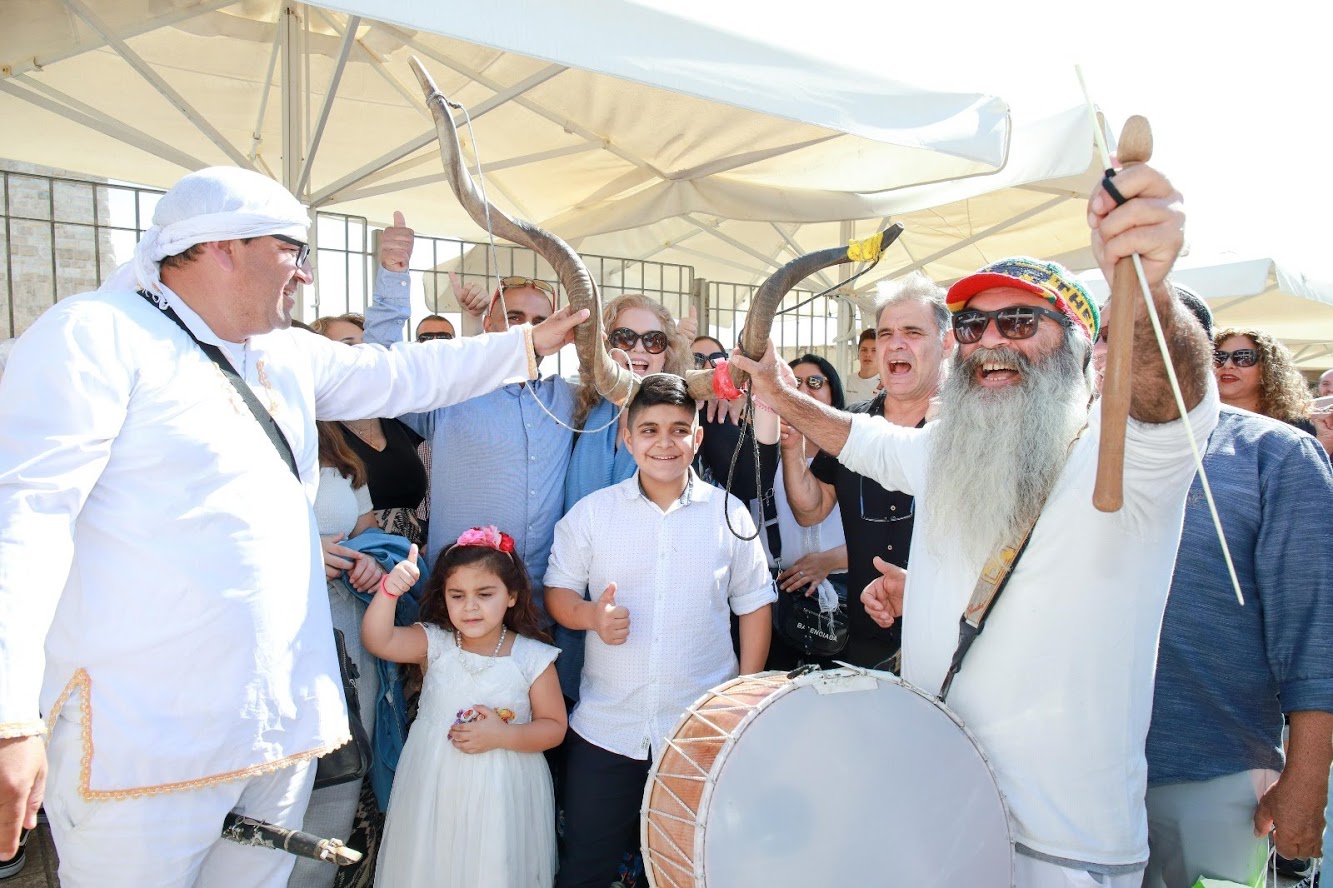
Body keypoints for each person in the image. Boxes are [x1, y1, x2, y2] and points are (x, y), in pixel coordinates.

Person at [0, 166, 586, 886]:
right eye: (292, 251)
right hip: (142, 738)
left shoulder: (284, 353)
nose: (305, 277)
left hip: (274, 729)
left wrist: (526, 345)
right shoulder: (93, 334)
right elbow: (21, 524)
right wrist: (9, 716)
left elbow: (403, 374)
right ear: (221, 247)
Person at [735, 157, 1218, 888]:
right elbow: (858, 439)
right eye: (971, 323)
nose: (990, 339)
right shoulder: (946, 450)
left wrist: (1146, 290)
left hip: (1062, 850)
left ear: (1081, 347)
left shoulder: (1123, 461)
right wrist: (775, 391)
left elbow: (1167, 397)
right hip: (938, 821)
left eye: (1019, 321)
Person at [544, 374, 774, 888]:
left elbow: (755, 606)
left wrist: (744, 702)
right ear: (627, 439)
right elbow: (557, 593)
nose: (663, 443)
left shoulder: (729, 515)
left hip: (698, 734)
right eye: (648, 430)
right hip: (606, 729)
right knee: (585, 866)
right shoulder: (592, 515)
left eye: (678, 429)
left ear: (696, 438)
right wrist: (589, 618)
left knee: (685, 869)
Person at [1134, 295, 1333, 888]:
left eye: (1153, 338)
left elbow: (1314, 632)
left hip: (1212, 771)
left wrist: (1307, 780)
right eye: (1113, 337)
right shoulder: (1078, 450)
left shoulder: (1275, 453)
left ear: (1197, 348)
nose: (1129, 355)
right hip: (1079, 773)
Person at [363, 212, 577, 613]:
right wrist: (393, 276)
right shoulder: (450, 390)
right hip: (459, 608)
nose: (526, 331)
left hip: (542, 606)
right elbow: (382, 367)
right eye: (514, 318)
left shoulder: (567, 399)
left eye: (537, 322)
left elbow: (639, 393)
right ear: (487, 324)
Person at [363, 527, 565, 887]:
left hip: (503, 789)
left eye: (485, 594)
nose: (470, 606)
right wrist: (390, 590)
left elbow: (553, 727)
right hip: (435, 784)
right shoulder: (436, 644)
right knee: (431, 865)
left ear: (512, 596)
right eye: (457, 595)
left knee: (493, 867)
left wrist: (504, 735)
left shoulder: (532, 658)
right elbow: (379, 640)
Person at [779, 273, 950, 670]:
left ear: (947, 343)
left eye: (912, 331)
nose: (896, 343)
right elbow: (811, 510)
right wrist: (791, 449)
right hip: (864, 641)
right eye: (886, 333)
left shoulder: (968, 429)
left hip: (942, 639)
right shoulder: (851, 425)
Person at [765, 354, 849, 670]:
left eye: (815, 382)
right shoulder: (765, 457)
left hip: (843, 601)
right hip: (780, 602)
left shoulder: (856, 460)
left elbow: (883, 540)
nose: (804, 390)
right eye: (793, 383)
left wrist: (828, 561)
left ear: (833, 394)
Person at [1213, 325, 1315, 434]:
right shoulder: (1196, 419)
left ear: (1267, 367)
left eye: (1244, 357)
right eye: (1219, 357)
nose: (1228, 365)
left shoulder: (1298, 426)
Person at [842, 327, 882, 403]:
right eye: (864, 350)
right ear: (858, 353)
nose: (868, 354)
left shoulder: (886, 386)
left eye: (874, 350)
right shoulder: (846, 381)